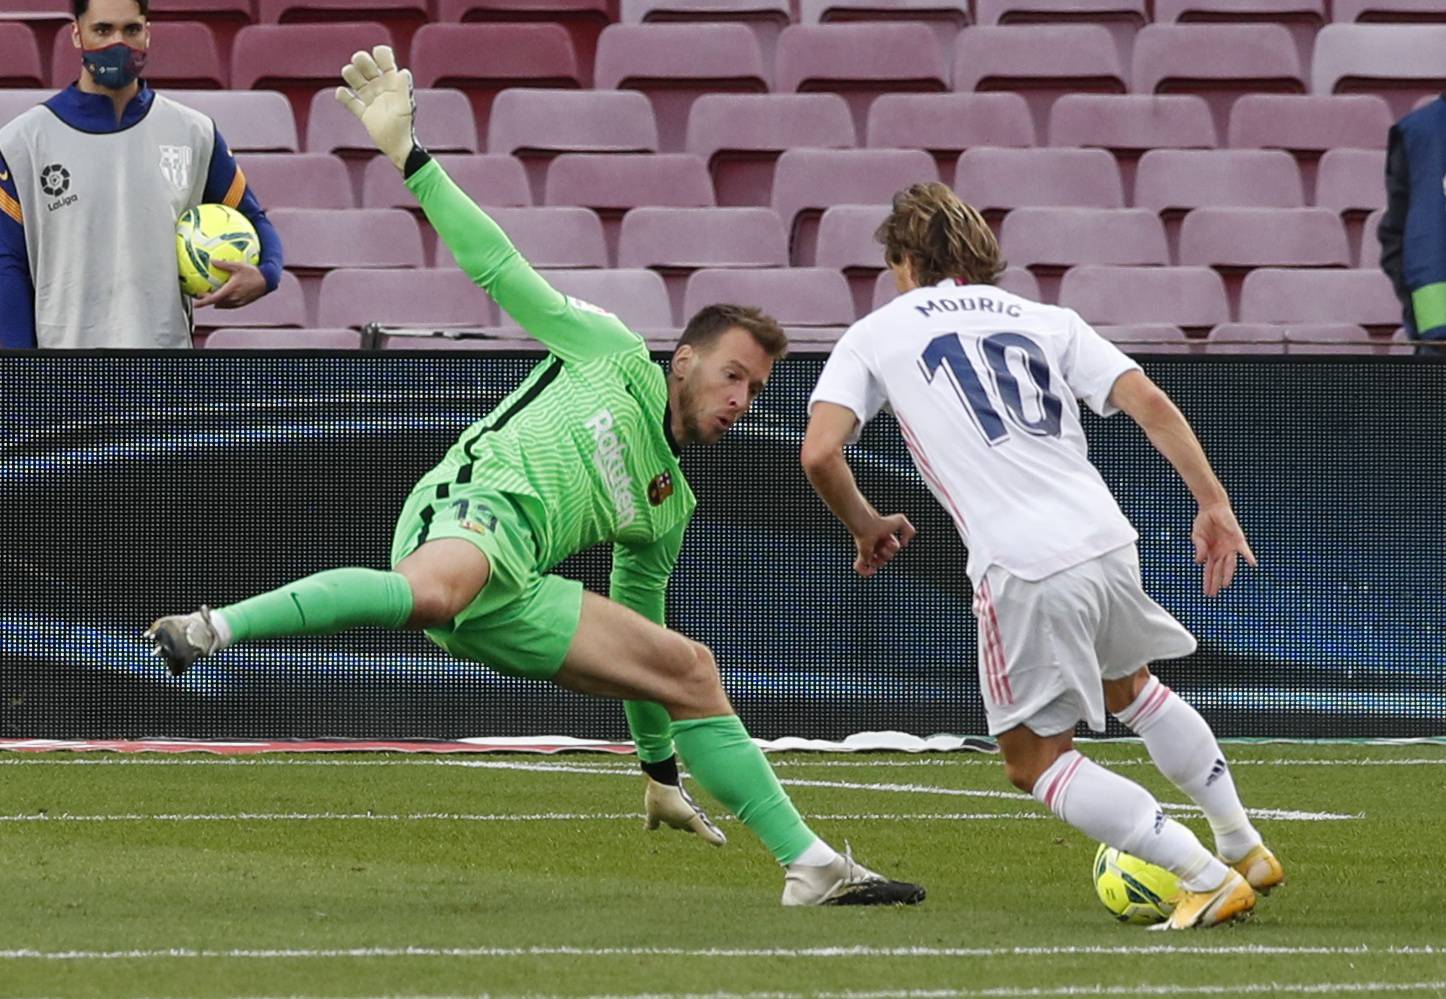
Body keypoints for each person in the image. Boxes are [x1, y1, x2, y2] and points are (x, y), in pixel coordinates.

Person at [146, 45, 925, 908]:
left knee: (689, 668)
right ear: (684, 359)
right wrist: (411, 158)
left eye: (757, 388)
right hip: (468, 510)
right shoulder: (613, 354)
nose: (743, 398)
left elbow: (638, 639)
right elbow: (499, 267)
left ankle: (809, 863)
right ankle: (212, 626)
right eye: (733, 374)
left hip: (518, 594)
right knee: (440, 589)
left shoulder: (670, 506)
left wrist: (659, 767)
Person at [799, 182, 1282, 929]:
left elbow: (821, 452)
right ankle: (1243, 842)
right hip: (1105, 536)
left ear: (902, 260)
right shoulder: (1046, 318)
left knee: (1033, 758)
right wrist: (1214, 504)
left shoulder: (877, 332)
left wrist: (865, 524)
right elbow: (1149, 400)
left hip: (1022, 561)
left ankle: (1204, 873)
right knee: (1132, 687)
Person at [0, 0, 283, 349]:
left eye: (131, 30)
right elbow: (7, 265)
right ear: (77, 34)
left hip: (163, 373)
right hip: (66, 375)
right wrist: (20, 378)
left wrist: (267, 275)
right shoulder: (20, 143)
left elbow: (254, 219)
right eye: (102, 30)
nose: (118, 44)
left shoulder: (194, 133)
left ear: (147, 34)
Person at [1379, 93, 1446, 346]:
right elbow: (1395, 236)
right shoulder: (1416, 134)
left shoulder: (1416, 132)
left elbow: (1393, 240)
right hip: (1439, 345)